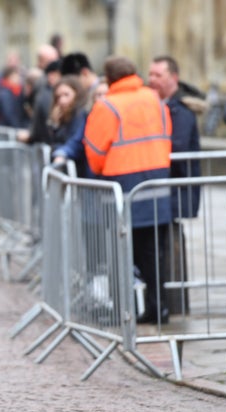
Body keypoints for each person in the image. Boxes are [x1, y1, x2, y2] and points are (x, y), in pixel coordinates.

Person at [84, 56, 172, 324]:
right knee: (153, 253)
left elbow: (95, 152)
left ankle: (125, 311)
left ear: (109, 78)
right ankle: (159, 308)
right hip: (157, 182)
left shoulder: (106, 105)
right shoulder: (153, 99)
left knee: (120, 253)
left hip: (123, 187)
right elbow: (167, 134)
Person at [148, 55, 202, 314]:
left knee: (171, 249)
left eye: (158, 75)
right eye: (151, 74)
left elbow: (176, 147)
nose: (152, 80)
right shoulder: (155, 105)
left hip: (175, 193)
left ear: (174, 78)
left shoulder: (181, 110)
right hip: (160, 193)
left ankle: (176, 306)